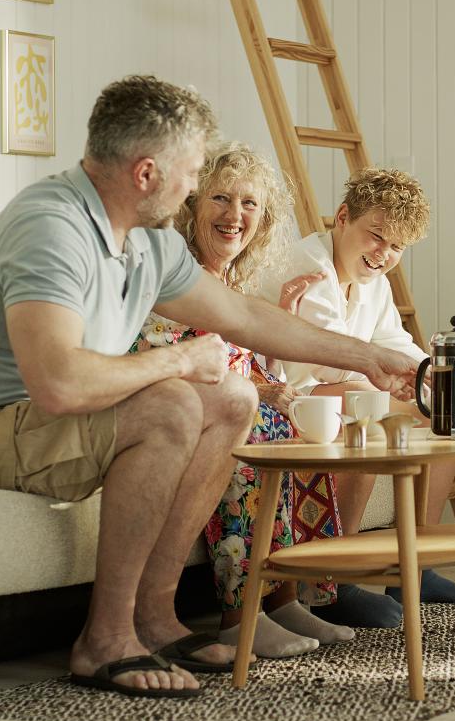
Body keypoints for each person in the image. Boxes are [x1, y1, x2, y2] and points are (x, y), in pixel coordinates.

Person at [0, 76, 419, 699]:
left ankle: (154, 617)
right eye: (194, 171)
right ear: (147, 173)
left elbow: (247, 318)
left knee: (234, 396)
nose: (197, 186)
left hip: (29, 423)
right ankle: (105, 639)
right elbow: (59, 382)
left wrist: (375, 359)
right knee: (173, 399)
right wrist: (174, 364)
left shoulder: (146, 241)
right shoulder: (53, 229)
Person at [134, 142, 353, 657]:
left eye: (250, 203)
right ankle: (239, 614)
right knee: (259, 432)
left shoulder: (227, 279)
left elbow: (241, 365)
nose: (235, 215)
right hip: (169, 409)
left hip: (215, 402)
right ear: (192, 205)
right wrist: (263, 390)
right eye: (221, 199)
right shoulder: (176, 271)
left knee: (296, 428)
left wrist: (274, 379)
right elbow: (181, 361)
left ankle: (282, 598)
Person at [258, 167, 455, 628]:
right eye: (376, 236)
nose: (383, 254)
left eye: (396, 247)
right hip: (284, 391)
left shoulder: (372, 284)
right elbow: (331, 358)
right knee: (367, 403)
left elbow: (396, 343)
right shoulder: (306, 266)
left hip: (332, 388)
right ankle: (336, 582)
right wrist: (397, 380)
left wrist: (436, 373)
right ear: (343, 217)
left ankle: (415, 568)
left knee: (443, 409)